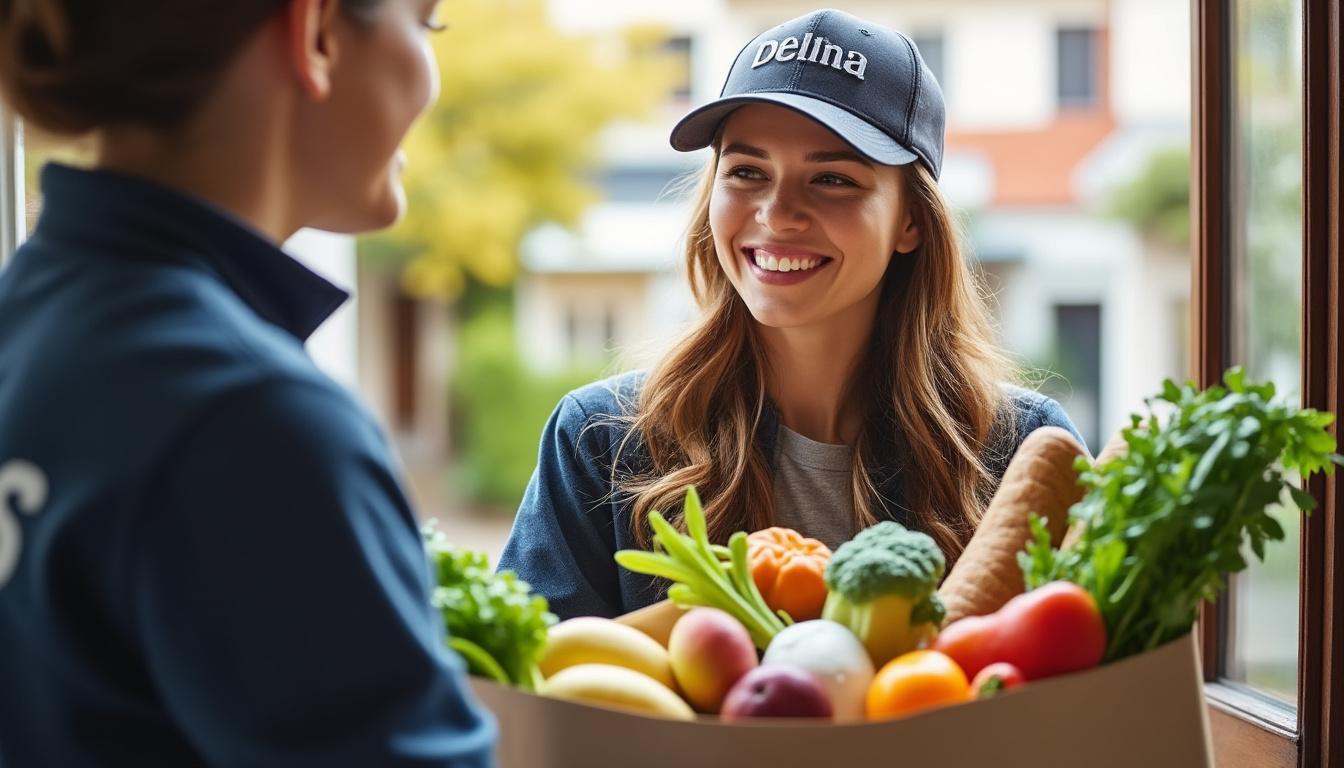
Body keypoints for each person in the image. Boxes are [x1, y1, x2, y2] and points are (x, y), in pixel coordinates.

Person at [0, 1, 494, 764]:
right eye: (428, 24)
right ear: (317, 32)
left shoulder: (32, 319)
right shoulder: (250, 423)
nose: (432, 77)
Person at [499, 8, 1088, 620]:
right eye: (747, 172)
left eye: (832, 179)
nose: (777, 215)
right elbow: (527, 692)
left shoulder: (1016, 453)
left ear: (910, 221)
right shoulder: (602, 442)